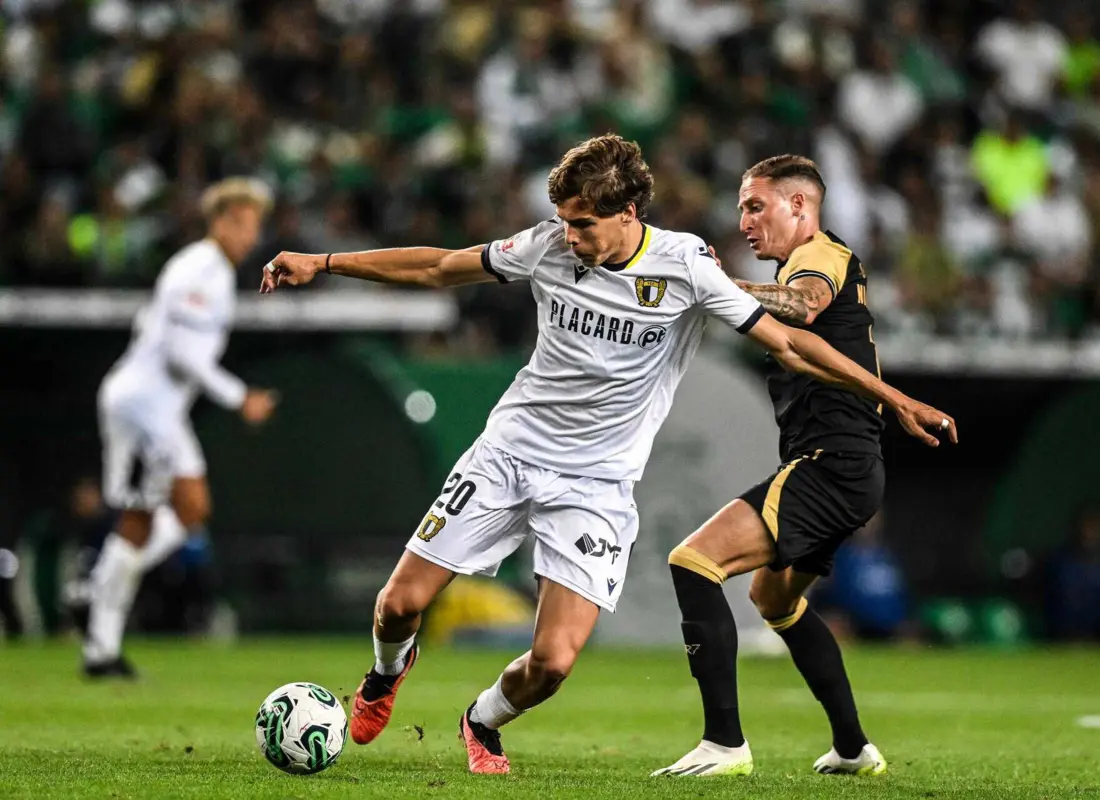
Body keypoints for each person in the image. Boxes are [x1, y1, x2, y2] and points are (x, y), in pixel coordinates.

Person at [261, 135, 954, 776]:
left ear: (629, 212)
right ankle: (385, 674)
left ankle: (482, 719)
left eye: (584, 223)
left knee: (555, 663)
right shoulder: (546, 248)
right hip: (507, 453)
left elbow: (794, 342)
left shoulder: (685, 265)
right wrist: (323, 262)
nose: (571, 236)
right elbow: (441, 267)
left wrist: (892, 399)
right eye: (563, 220)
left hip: (594, 485)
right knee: (397, 605)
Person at [655, 155, 956, 778]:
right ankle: (852, 747)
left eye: (755, 205)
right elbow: (806, 342)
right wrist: (897, 400)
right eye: (741, 207)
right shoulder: (817, 258)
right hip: (848, 467)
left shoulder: (819, 256)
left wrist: (722, 288)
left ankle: (723, 744)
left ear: (800, 206)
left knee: (694, 560)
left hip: (832, 463)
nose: (743, 220)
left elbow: (801, 306)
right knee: (773, 599)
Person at [83, 178, 278, 678]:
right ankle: (95, 589)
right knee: (191, 507)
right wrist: (241, 398)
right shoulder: (201, 271)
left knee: (139, 520)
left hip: (146, 403)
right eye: (245, 223)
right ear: (222, 220)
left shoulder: (202, 269)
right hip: (148, 405)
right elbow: (182, 353)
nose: (251, 237)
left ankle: (100, 646)